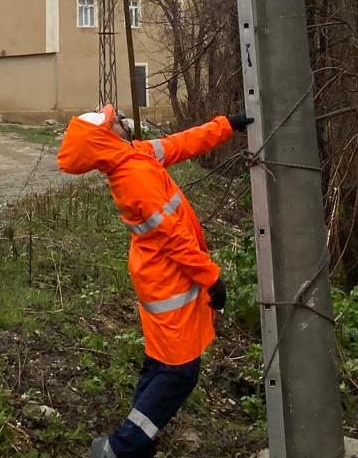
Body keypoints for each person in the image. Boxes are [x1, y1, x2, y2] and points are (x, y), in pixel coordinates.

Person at [57, 101, 253, 456]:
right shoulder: (134, 177)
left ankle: (135, 445)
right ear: (104, 138)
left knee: (162, 364)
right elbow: (174, 237)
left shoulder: (134, 156)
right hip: (168, 284)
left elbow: (180, 143)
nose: (118, 119)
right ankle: (122, 448)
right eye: (111, 121)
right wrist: (212, 277)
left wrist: (227, 125)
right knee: (178, 373)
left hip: (164, 280)